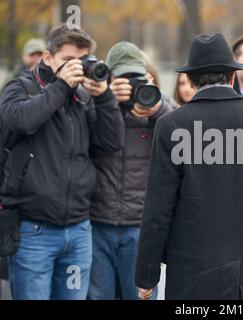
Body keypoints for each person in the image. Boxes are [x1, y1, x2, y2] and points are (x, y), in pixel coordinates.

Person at [135, 33, 243, 300]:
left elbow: (158, 207)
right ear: (232, 77)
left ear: (192, 80)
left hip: (195, 274)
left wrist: (146, 274)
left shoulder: (173, 125)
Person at [0, 25, 125, 300]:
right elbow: (21, 120)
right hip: (33, 230)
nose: (76, 68)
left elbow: (111, 143)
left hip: (79, 230)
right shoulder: (21, 87)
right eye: (68, 60)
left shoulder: (82, 98)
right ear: (47, 57)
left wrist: (103, 97)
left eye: (82, 61)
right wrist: (61, 86)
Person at [87, 42, 176, 300]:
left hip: (139, 225)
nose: (129, 83)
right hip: (98, 221)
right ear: (109, 75)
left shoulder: (159, 103)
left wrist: (156, 109)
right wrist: (106, 101)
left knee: (139, 296)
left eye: (134, 77)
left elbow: (183, 139)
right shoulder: (95, 102)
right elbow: (79, 135)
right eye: (122, 77)